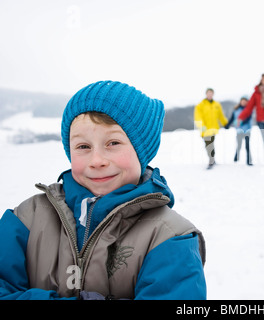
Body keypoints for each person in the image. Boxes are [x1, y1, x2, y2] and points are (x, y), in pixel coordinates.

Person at [0, 80, 206, 300]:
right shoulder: (26, 219)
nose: (96, 160)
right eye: (83, 147)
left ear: (141, 152)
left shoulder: (170, 237)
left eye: (113, 143)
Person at [194, 88, 228, 169]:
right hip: (205, 129)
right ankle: (211, 160)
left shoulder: (217, 104)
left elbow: (221, 115)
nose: (210, 94)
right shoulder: (200, 105)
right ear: (206, 94)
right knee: (209, 145)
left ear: (213, 94)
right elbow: (197, 117)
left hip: (214, 129)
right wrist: (202, 127)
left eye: (211, 93)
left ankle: (212, 159)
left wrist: (225, 123)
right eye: (208, 93)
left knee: (211, 144)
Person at [225, 96, 253, 166]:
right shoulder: (236, 110)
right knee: (239, 145)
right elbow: (232, 118)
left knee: (247, 145)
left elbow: (248, 119)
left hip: (247, 130)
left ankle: (249, 160)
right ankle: (236, 157)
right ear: (240, 102)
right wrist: (227, 125)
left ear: (247, 102)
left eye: (245, 101)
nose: (243, 102)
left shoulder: (249, 109)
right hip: (239, 130)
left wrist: (241, 123)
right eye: (242, 101)